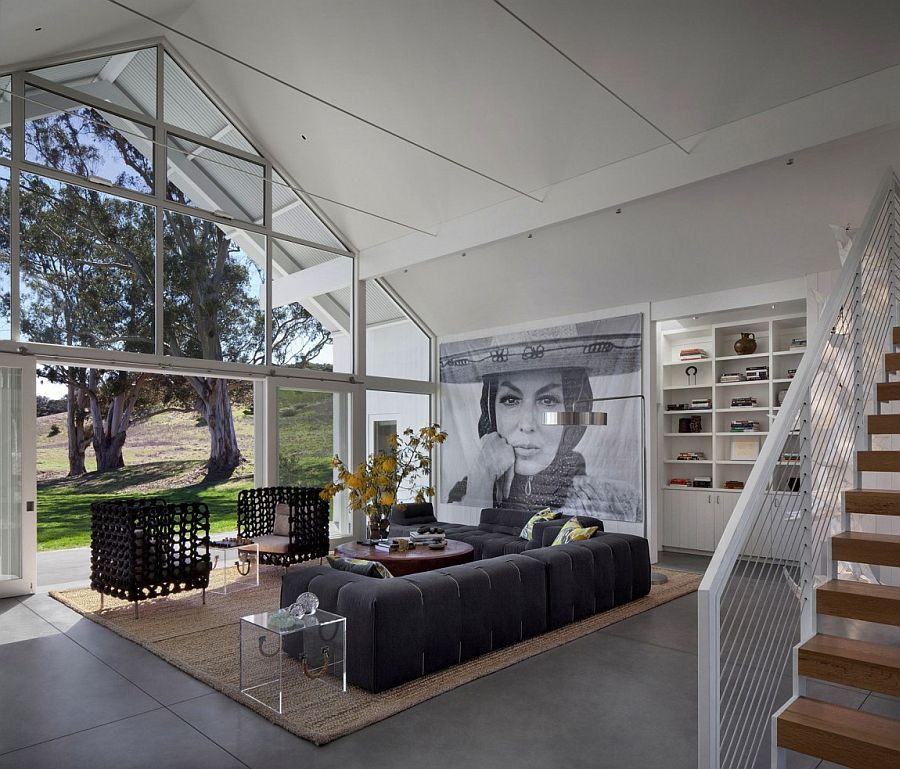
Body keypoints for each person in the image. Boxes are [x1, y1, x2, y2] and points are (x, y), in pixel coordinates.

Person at [442, 320, 643, 521]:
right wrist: (482, 478)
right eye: (511, 400)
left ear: (573, 410)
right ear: (490, 411)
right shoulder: (462, 495)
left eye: (548, 400)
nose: (527, 424)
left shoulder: (618, 503)